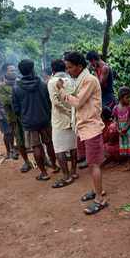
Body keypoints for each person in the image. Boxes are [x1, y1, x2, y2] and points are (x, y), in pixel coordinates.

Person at [57, 51, 108, 215]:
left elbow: (77, 102)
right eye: (67, 68)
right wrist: (64, 88)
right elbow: (75, 94)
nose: (68, 71)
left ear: (79, 66)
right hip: (84, 127)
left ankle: (100, 199)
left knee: (94, 165)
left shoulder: (89, 80)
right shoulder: (80, 79)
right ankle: (96, 190)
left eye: (70, 67)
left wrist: (62, 92)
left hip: (91, 128)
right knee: (90, 163)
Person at [13, 59, 59, 181]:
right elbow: (49, 103)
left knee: (36, 147)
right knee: (49, 143)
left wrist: (24, 116)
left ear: (21, 72)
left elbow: (16, 109)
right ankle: (54, 166)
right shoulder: (43, 84)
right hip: (44, 119)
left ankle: (44, 173)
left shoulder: (17, 88)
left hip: (29, 123)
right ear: (32, 69)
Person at [47, 59, 78, 188]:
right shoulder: (71, 80)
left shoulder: (52, 82)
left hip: (60, 120)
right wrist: (71, 113)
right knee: (73, 147)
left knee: (59, 148)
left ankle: (66, 176)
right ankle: (74, 172)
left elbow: (55, 102)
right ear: (65, 68)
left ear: (52, 70)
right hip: (73, 118)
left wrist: (65, 112)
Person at [0, 71, 32, 173]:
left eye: (14, 80)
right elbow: (5, 101)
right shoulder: (1, 87)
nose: (13, 83)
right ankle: (26, 162)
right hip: (13, 118)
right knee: (19, 139)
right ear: (5, 79)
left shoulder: (19, 83)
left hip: (25, 116)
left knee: (34, 138)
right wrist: (17, 98)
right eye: (10, 81)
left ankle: (43, 159)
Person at [0, 64, 16, 159]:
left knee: (12, 132)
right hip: (2, 113)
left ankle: (13, 149)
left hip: (11, 112)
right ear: (5, 72)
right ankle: (8, 151)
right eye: (11, 70)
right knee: (7, 133)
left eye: (14, 70)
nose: (14, 72)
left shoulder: (10, 82)